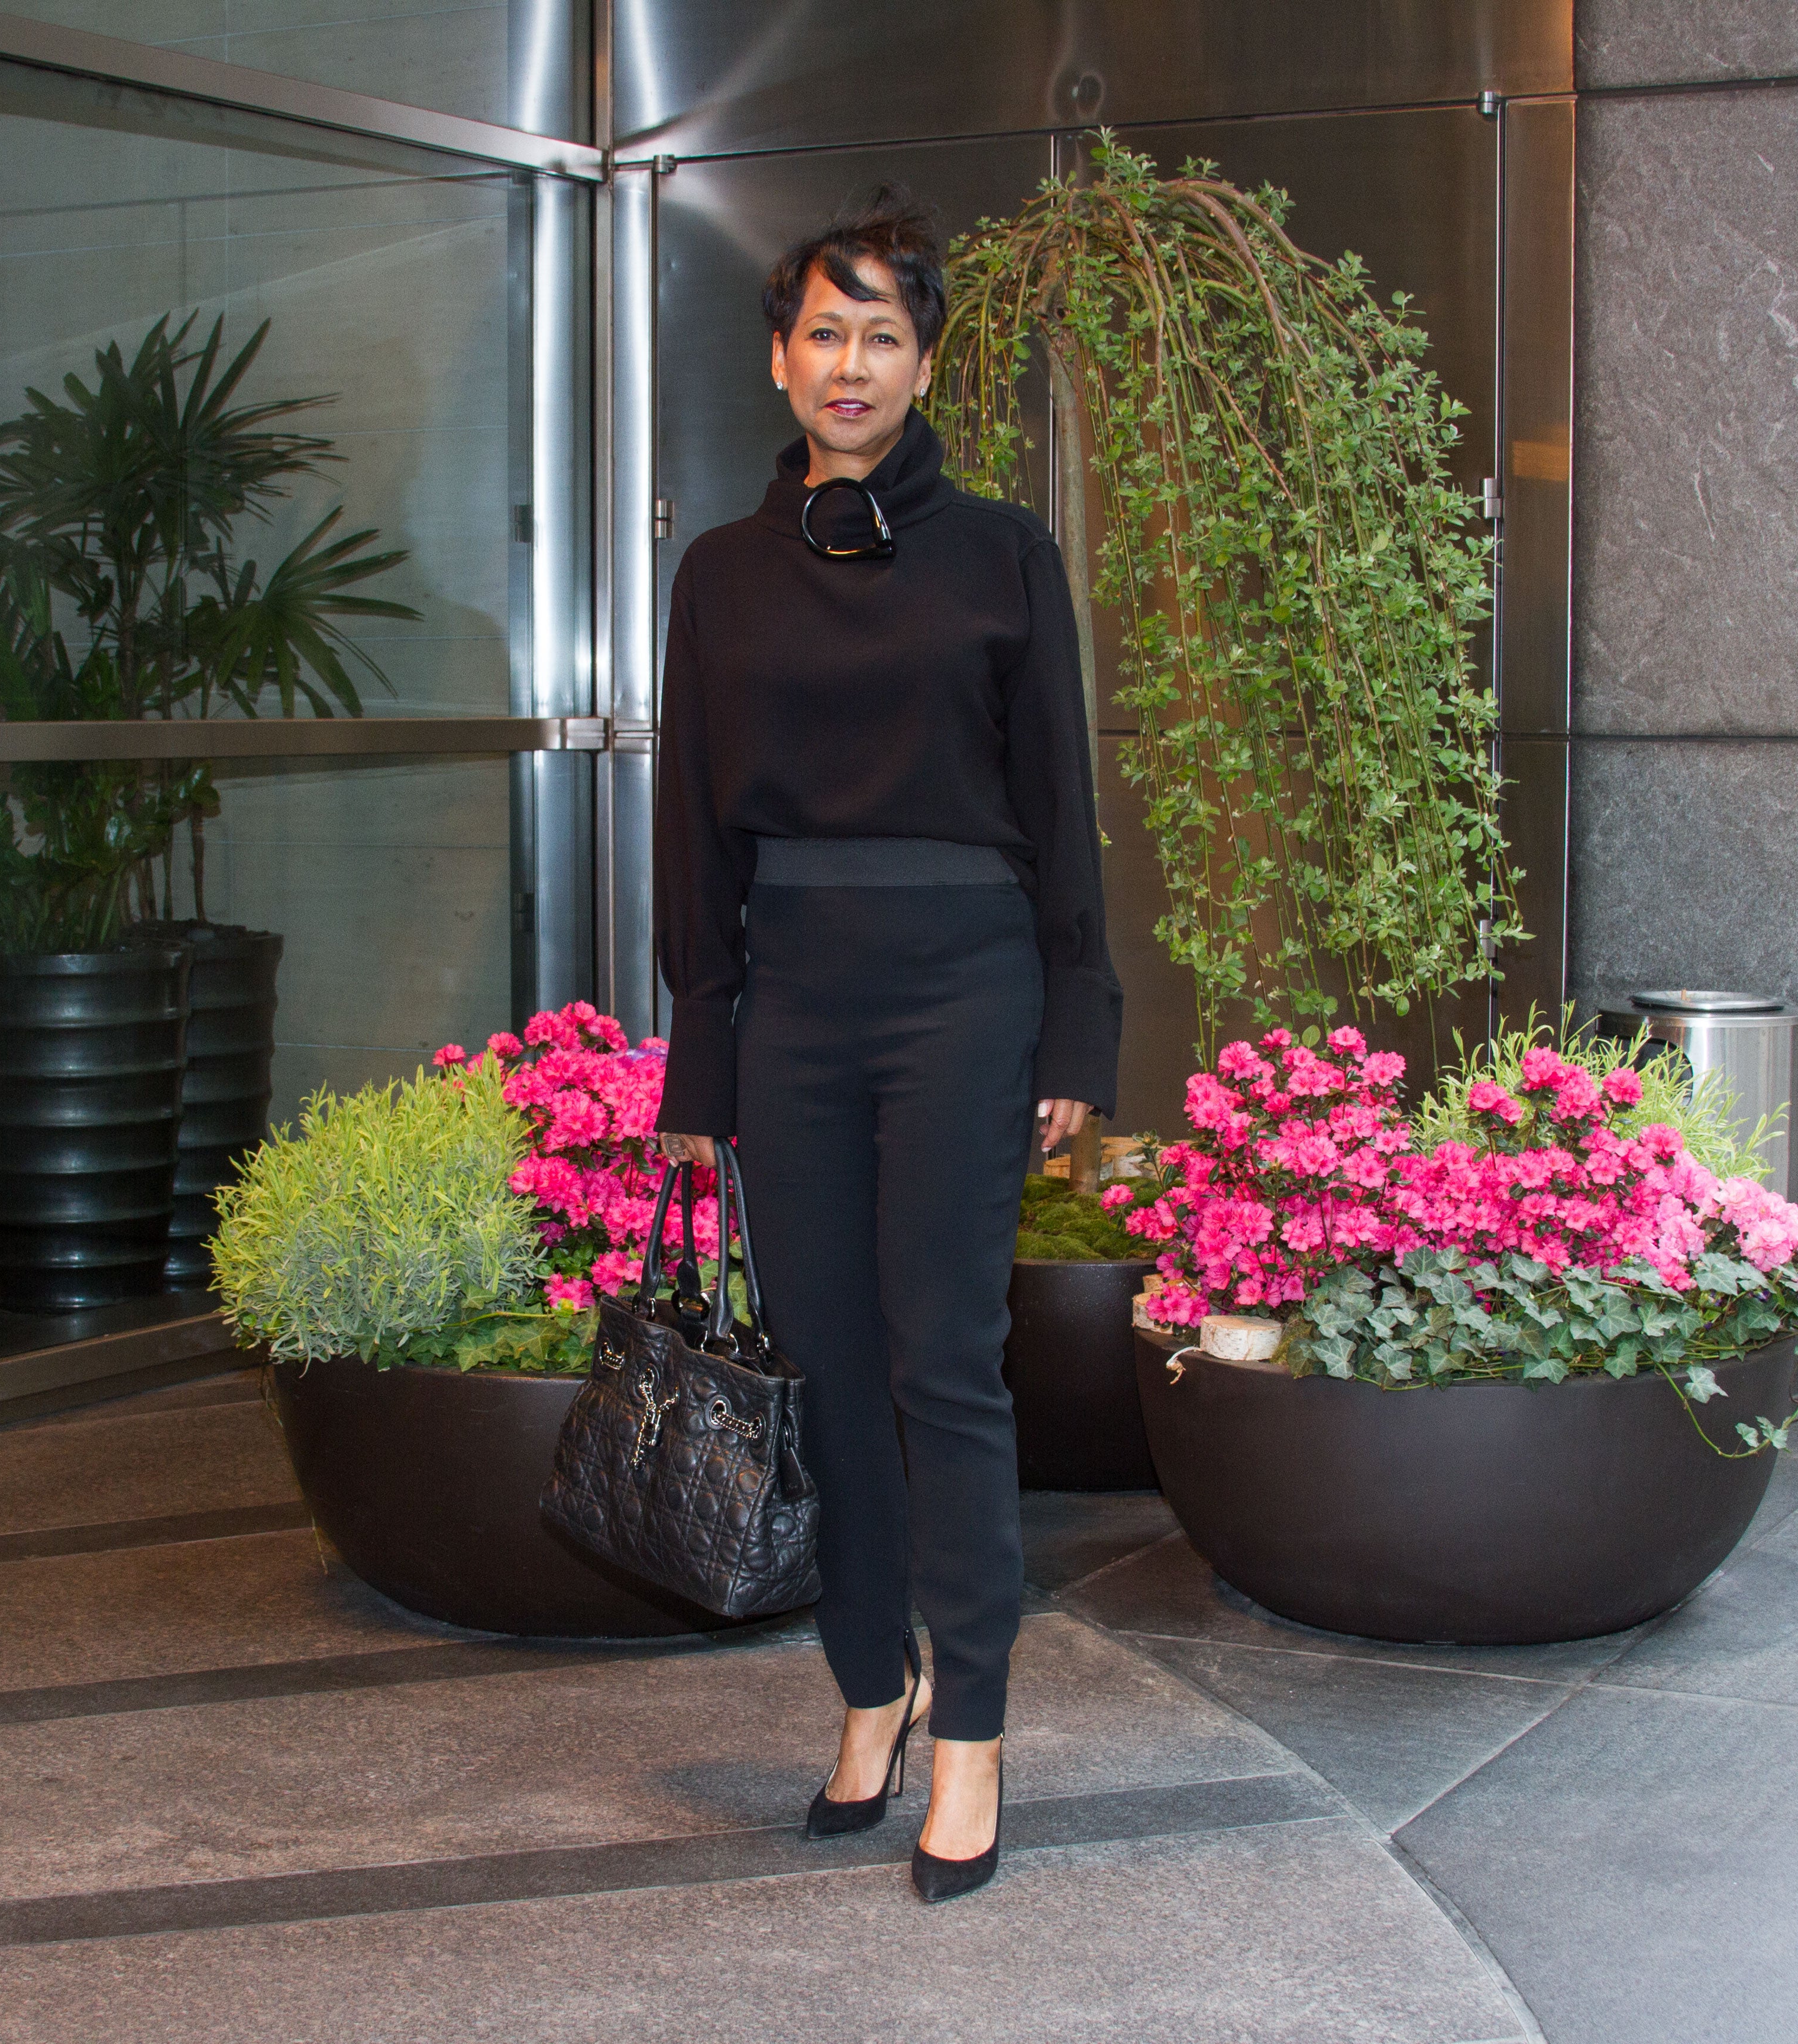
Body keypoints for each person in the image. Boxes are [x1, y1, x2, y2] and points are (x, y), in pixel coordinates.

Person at [650, 186, 1121, 1904]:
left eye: (884, 334)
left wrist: (1081, 1016)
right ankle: (869, 1690)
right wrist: (704, 1052)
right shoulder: (716, 577)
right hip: (796, 994)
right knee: (829, 1367)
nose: (851, 363)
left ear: (925, 365)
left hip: (966, 987)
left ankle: (976, 1728)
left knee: (946, 1363)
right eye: (823, 332)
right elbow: (693, 829)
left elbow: (1062, 811)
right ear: (779, 360)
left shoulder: (1003, 553)